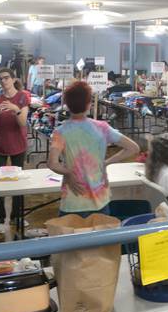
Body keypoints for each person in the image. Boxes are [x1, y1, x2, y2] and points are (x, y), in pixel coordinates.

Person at [48, 81, 140, 217]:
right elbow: (133, 148)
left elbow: (52, 163)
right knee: (98, 237)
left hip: (73, 200)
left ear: (67, 104)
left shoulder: (60, 132)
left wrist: (68, 173)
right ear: (89, 104)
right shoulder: (102, 127)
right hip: (100, 199)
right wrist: (106, 162)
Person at [0, 68, 30, 228]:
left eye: (6, 78)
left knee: (18, 180)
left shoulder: (22, 98)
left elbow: (22, 123)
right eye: (0, 79)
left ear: (13, 79)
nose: (3, 81)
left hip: (18, 144)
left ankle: (17, 215)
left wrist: (16, 110)